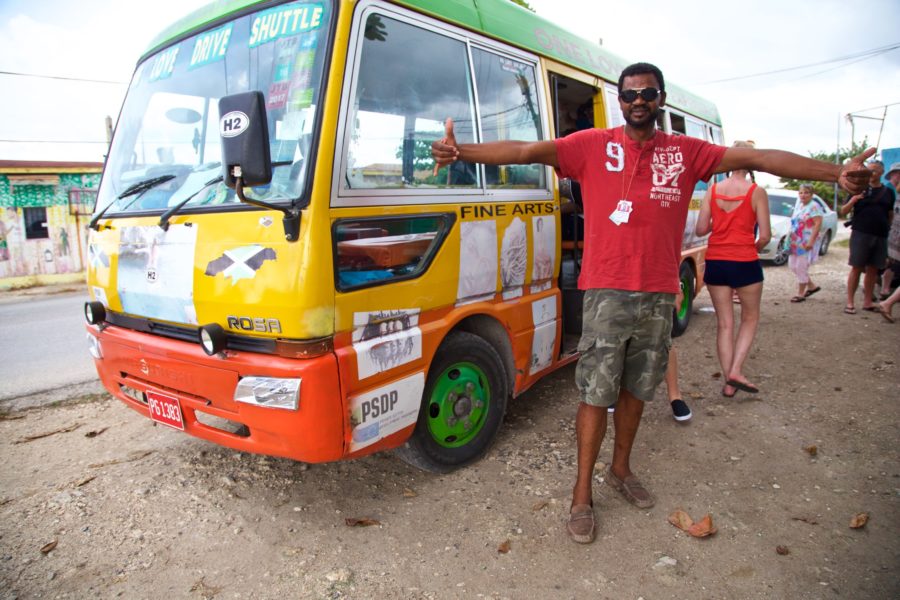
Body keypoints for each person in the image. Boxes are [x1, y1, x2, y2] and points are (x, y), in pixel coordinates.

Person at [431, 62, 873, 545]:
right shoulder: (590, 146)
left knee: (638, 389)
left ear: (659, 99)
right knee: (595, 393)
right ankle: (581, 494)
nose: (638, 100)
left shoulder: (688, 153)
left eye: (648, 93)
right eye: (630, 94)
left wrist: (837, 173)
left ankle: (620, 469)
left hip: (660, 292)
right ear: (619, 100)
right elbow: (522, 148)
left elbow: (763, 158)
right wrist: (461, 152)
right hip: (606, 291)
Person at [695, 142, 771, 397]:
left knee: (724, 324)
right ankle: (735, 372)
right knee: (750, 318)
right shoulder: (756, 191)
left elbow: (700, 229)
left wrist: (721, 222)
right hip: (745, 260)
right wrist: (753, 246)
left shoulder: (713, 190)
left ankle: (730, 380)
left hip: (717, 261)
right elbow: (766, 236)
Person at [839, 160, 895, 314]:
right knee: (856, 267)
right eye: (870, 170)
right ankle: (850, 302)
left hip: (881, 235)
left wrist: (887, 230)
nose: (872, 173)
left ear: (882, 172)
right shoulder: (858, 189)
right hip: (861, 233)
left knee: (873, 269)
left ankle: (868, 301)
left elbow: (890, 214)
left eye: (876, 170)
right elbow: (843, 211)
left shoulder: (888, 192)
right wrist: (854, 199)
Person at [787, 184, 824, 302]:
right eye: (801, 192)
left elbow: (817, 224)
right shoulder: (799, 205)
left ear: (811, 194)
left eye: (806, 192)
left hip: (806, 240)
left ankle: (800, 293)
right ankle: (812, 286)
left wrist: (811, 241)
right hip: (795, 240)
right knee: (792, 266)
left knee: (800, 266)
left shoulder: (814, 206)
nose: (803, 195)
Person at [876, 163, 900, 323]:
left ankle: (886, 296)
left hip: (894, 236)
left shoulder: (894, 192)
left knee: (892, 266)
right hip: (895, 236)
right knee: (891, 265)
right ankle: (887, 300)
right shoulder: (890, 191)